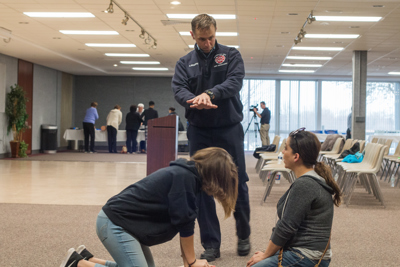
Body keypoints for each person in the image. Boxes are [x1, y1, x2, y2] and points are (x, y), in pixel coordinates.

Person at [59, 147, 238, 267]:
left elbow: (185, 222)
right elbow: (186, 223)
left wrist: (188, 263)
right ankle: (78, 265)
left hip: (125, 225)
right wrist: (191, 262)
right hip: (116, 224)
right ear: (215, 175)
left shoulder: (189, 177)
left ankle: (87, 259)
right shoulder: (185, 178)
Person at [172, 13, 251, 262]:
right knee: (201, 185)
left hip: (228, 127)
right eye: (203, 39)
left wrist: (209, 94)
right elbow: (179, 88)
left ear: (216, 33)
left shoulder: (230, 55)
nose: (207, 43)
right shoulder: (185, 62)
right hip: (199, 129)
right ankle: (211, 243)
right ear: (193, 35)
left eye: (211, 38)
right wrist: (195, 100)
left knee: (238, 182)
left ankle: (244, 234)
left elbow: (234, 82)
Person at [246, 128, 341, 267]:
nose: (283, 152)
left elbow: (285, 227)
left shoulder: (305, 184)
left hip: (307, 256)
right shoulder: (309, 180)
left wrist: (266, 255)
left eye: (285, 148)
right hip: (307, 253)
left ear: (296, 157)